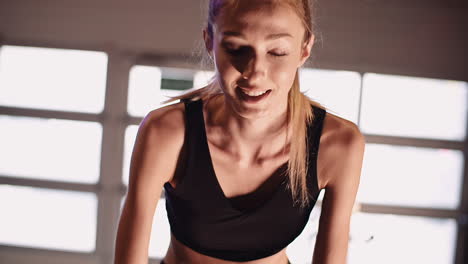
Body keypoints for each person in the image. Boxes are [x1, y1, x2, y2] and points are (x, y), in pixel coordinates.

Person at [114, 0, 365, 263]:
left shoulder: (339, 144)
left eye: (277, 52)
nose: (255, 72)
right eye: (236, 48)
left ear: (304, 50)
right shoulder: (167, 133)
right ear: (210, 41)